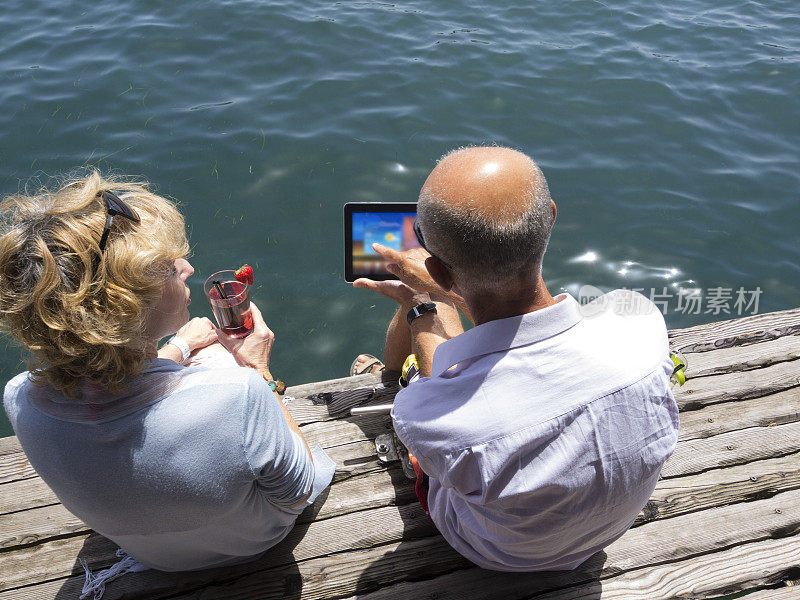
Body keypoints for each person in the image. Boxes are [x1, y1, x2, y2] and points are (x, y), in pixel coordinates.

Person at [353, 146, 679, 572]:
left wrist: (424, 300)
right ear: (551, 218)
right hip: (607, 529)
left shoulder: (423, 414)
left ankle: (416, 315)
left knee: (427, 343)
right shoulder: (639, 326)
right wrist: (449, 287)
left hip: (498, 554)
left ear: (440, 271)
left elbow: (444, 414)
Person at [0, 172, 335, 580]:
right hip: (251, 544)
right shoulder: (239, 393)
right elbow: (297, 491)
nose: (188, 268)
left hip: (154, 553)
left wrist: (178, 348)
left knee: (204, 345)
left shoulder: (20, 397)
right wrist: (259, 371)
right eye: (168, 268)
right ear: (128, 304)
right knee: (221, 357)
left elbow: (113, 396)